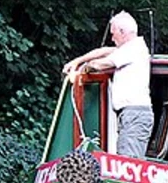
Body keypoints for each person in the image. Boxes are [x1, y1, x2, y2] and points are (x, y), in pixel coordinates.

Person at [63, 11, 153, 159]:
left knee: (128, 163)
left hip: (134, 114)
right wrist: (76, 61)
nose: (112, 38)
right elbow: (104, 51)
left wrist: (83, 69)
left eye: (113, 33)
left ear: (123, 32)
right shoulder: (129, 48)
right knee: (125, 158)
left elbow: (103, 63)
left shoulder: (133, 49)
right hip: (131, 113)